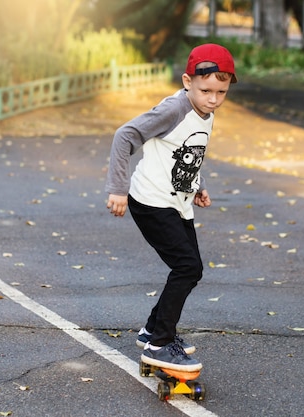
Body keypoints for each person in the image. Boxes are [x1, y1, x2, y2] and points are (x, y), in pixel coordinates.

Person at [104, 43, 237, 372]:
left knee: (192, 269)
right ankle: (159, 343)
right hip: (151, 201)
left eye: (221, 92)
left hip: (178, 202)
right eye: (206, 90)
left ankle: (153, 329)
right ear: (187, 81)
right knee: (187, 267)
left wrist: (199, 185)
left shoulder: (206, 112)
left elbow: (187, 151)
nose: (213, 99)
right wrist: (118, 189)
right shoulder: (174, 109)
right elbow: (125, 136)